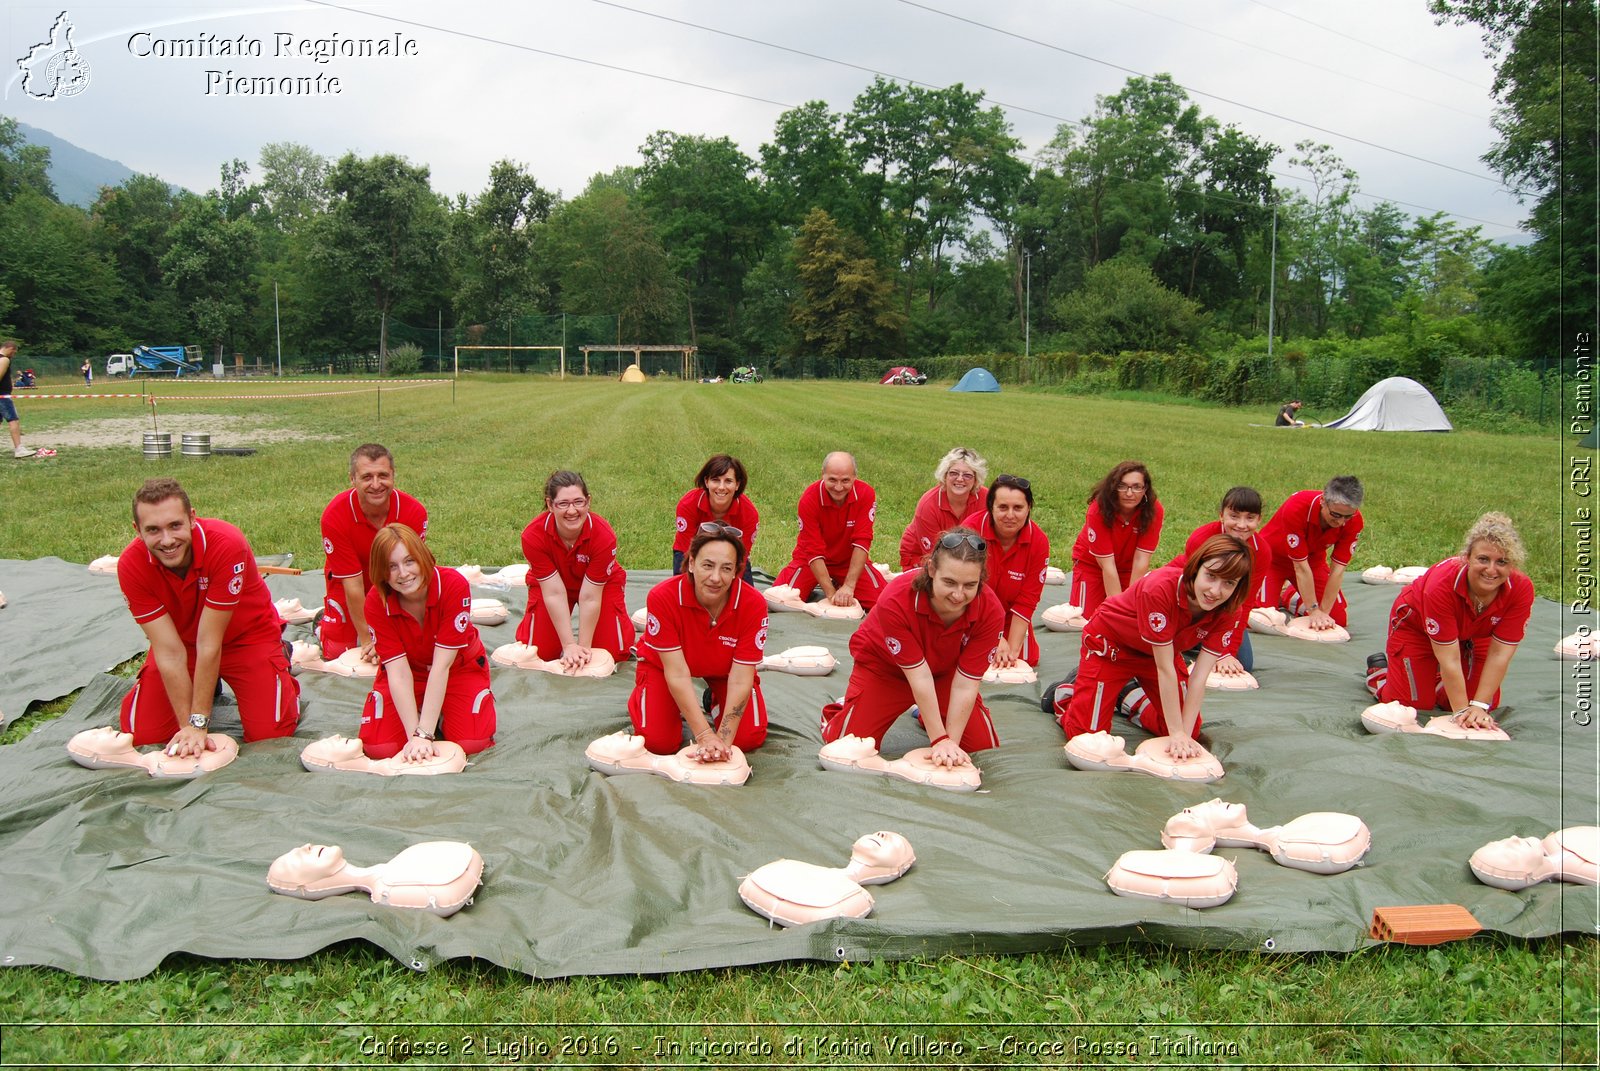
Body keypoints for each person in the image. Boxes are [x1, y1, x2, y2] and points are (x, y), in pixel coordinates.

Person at [116, 478, 300, 753]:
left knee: (269, 734)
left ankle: (279, 667)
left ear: (191, 518)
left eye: (174, 525)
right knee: (143, 733)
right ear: (137, 530)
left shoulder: (226, 543)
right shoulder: (131, 565)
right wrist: (186, 727)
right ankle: (205, 685)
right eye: (153, 530)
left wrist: (199, 722)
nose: (167, 540)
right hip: (184, 646)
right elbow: (168, 651)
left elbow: (210, 642)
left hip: (246, 638)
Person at [1054, 535, 1252, 759]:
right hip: (1113, 646)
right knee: (1086, 739)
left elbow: (1199, 677)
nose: (1215, 591)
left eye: (1229, 583)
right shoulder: (1160, 588)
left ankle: (1126, 694)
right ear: (1196, 568)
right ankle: (1067, 695)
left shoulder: (1230, 610)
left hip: (1158, 654)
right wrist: (1177, 733)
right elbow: (1165, 669)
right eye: (1211, 576)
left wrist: (1183, 735)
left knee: (1189, 730)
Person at [820, 528, 1004, 767]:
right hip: (886, 669)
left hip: (944, 672)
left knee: (982, 747)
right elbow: (919, 676)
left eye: (970, 584)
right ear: (930, 570)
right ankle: (842, 710)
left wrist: (951, 744)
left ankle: (927, 716)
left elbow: (965, 684)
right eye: (949, 582)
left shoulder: (990, 610)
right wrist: (939, 738)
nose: (958, 594)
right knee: (845, 746)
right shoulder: (897, 598)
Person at [1366, 512, 1533, 731]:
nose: (1491, 570)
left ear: (1512, 564)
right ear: (1467, 557)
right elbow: (1449, 659)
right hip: (1416, 628)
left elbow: (1500, 653)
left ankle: (1433, 679)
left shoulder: (1521, 588)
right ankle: (1379, 674)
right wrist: (1462, 713)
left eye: (1501, 562)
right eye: (1483, 559)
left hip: (1474, 633)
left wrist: (1479, 705)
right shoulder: (1441, 585)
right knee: (1414, 705)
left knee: (1482, 704)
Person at [630, 523, 769, 759]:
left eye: (727, 568)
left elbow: (740, 678)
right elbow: (676, 674)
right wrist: (704, 735)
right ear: (691, 563)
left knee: (747, 738)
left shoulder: (753, 604)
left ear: (737, 571)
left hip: (725, 670)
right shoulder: (663, 597)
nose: (716, 578)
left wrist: (722, 742)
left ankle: (713, 699)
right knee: (659, 742)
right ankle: (649, 695)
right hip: (666, 669)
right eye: (707, 565)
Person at [358, 523, 495, 761]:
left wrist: (425, 733)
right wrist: (415, 736)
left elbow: (442, 666)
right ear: (381, 572)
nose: (403, 573)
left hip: (457, 670)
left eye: (409, 561)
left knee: (472, 742)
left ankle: (440, 713)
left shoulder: (452, 585)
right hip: (410, 671)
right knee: (380, 747)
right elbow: (398, 673)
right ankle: (424, 712)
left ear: (423, 557)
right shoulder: (375, 601)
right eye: (392, 566)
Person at [318, 444, 429, 661]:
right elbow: (353, 584)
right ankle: (324, 622)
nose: (376, 485)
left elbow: (415, 572)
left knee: (414, 646)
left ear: (393, 476)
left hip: (396, 583)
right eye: (367, 477)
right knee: (340, 653)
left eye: (383, 476)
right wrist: (370, 639)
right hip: (350, 584)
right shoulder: (334, 516)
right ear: (352, 479)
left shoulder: (414, 512)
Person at [516, 470, 635, 668]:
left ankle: (620, 625)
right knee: (539, 652)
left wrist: (583, 649)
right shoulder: (533, 536)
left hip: (599, 587)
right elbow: (554, 592)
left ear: (588, 501)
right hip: (552, 585)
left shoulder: (604, 536)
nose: (572, 511)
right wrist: (569, 645)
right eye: (563, 504)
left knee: (612, 653)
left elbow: (590, 597)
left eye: (578, 502)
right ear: (550, 505)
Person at [1166, 486, 1273, 674]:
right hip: (1186, 597)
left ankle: (1199, 641)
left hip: (1223, 604)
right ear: (1221, 515)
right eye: (1234, 516)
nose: (1241, 525)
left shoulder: (1261, 551)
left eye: (1250, 518)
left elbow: (1244, 602)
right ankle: (1190, 641)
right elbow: (1189, 591)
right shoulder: (1201, 538)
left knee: (1242, 663)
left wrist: (1226, 652)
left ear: (1259, 520)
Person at [773, 451, 887, 609]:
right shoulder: (809, 499)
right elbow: (813, 550)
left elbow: (862, 541)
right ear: (823, 475)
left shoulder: (865, 494)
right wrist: (831, 593)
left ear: (855, 477)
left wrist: (849, 587)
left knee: (884, 604)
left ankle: (853, 580)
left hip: (848, 561)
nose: (839, 487)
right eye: (832, 480)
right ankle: (832, 583)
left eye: (845, 480)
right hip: (809, 561)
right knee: (778, 600)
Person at [962, 474, 1048, 667]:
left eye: (1018, 508)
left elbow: (1028, 599)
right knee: (973, 659)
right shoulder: (970, 531)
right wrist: (995, 638)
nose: (1010, 515)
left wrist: (1013, 651)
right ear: (991, 508)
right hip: (969, 611)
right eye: (1002, 507)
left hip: (1009, 615)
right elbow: (964, 592)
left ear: (1028, 509)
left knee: (1025, 660)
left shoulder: (1039, 542)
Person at [1259, 475, 1364, 632]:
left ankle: (1290, 596)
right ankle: (1281, 594)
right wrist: (1313, 610)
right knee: (1264, 619)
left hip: (1313, 562)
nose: (1341, 522)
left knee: (1337, 621)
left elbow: (1338, 570)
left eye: (1347, 516)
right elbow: (1300, 567)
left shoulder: (1355, 521)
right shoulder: (1297, 507)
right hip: (1272, 560)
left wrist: (1324, 614)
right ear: (1323, 501)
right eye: (1336, 515)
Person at [1068, 460, 1164, 620]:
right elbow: (1107, 565)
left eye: (1136, 487)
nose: (1129, 493)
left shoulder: (1153, 510)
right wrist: (1119, 608)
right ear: (1113, 487)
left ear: (1145, 489)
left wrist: (1129, 605)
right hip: (1092, 566)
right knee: (1085, 620)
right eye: (1122, 486)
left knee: (1138, 613)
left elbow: (1141, 560)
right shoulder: (1098, 509)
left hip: (1128, 569)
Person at [898, 447, 988, 570]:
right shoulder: (928, 505)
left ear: (976, 479)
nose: (960, 479)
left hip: (967, 555)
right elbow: (935, 557)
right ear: (945, 476)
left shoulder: (987, 499)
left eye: (967, 475)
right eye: (953, 473)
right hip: (924, 556)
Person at [672, 454, 759, 581]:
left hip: (730, 557)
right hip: (692, 552)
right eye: (715, 480)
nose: (721, 487)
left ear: (737, 485)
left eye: (728, 481)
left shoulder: (749, 514)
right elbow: (687, 550)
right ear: (706, 481)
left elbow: (741, 557)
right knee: (683, 592)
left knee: (745, 598)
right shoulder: (688, 504)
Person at [0, 339, 36, 458]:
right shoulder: (4, 359)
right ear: (10, 348)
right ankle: (19, 449)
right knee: (13, 420)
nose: (13, 355)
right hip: (2, 396)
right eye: (14, 352)